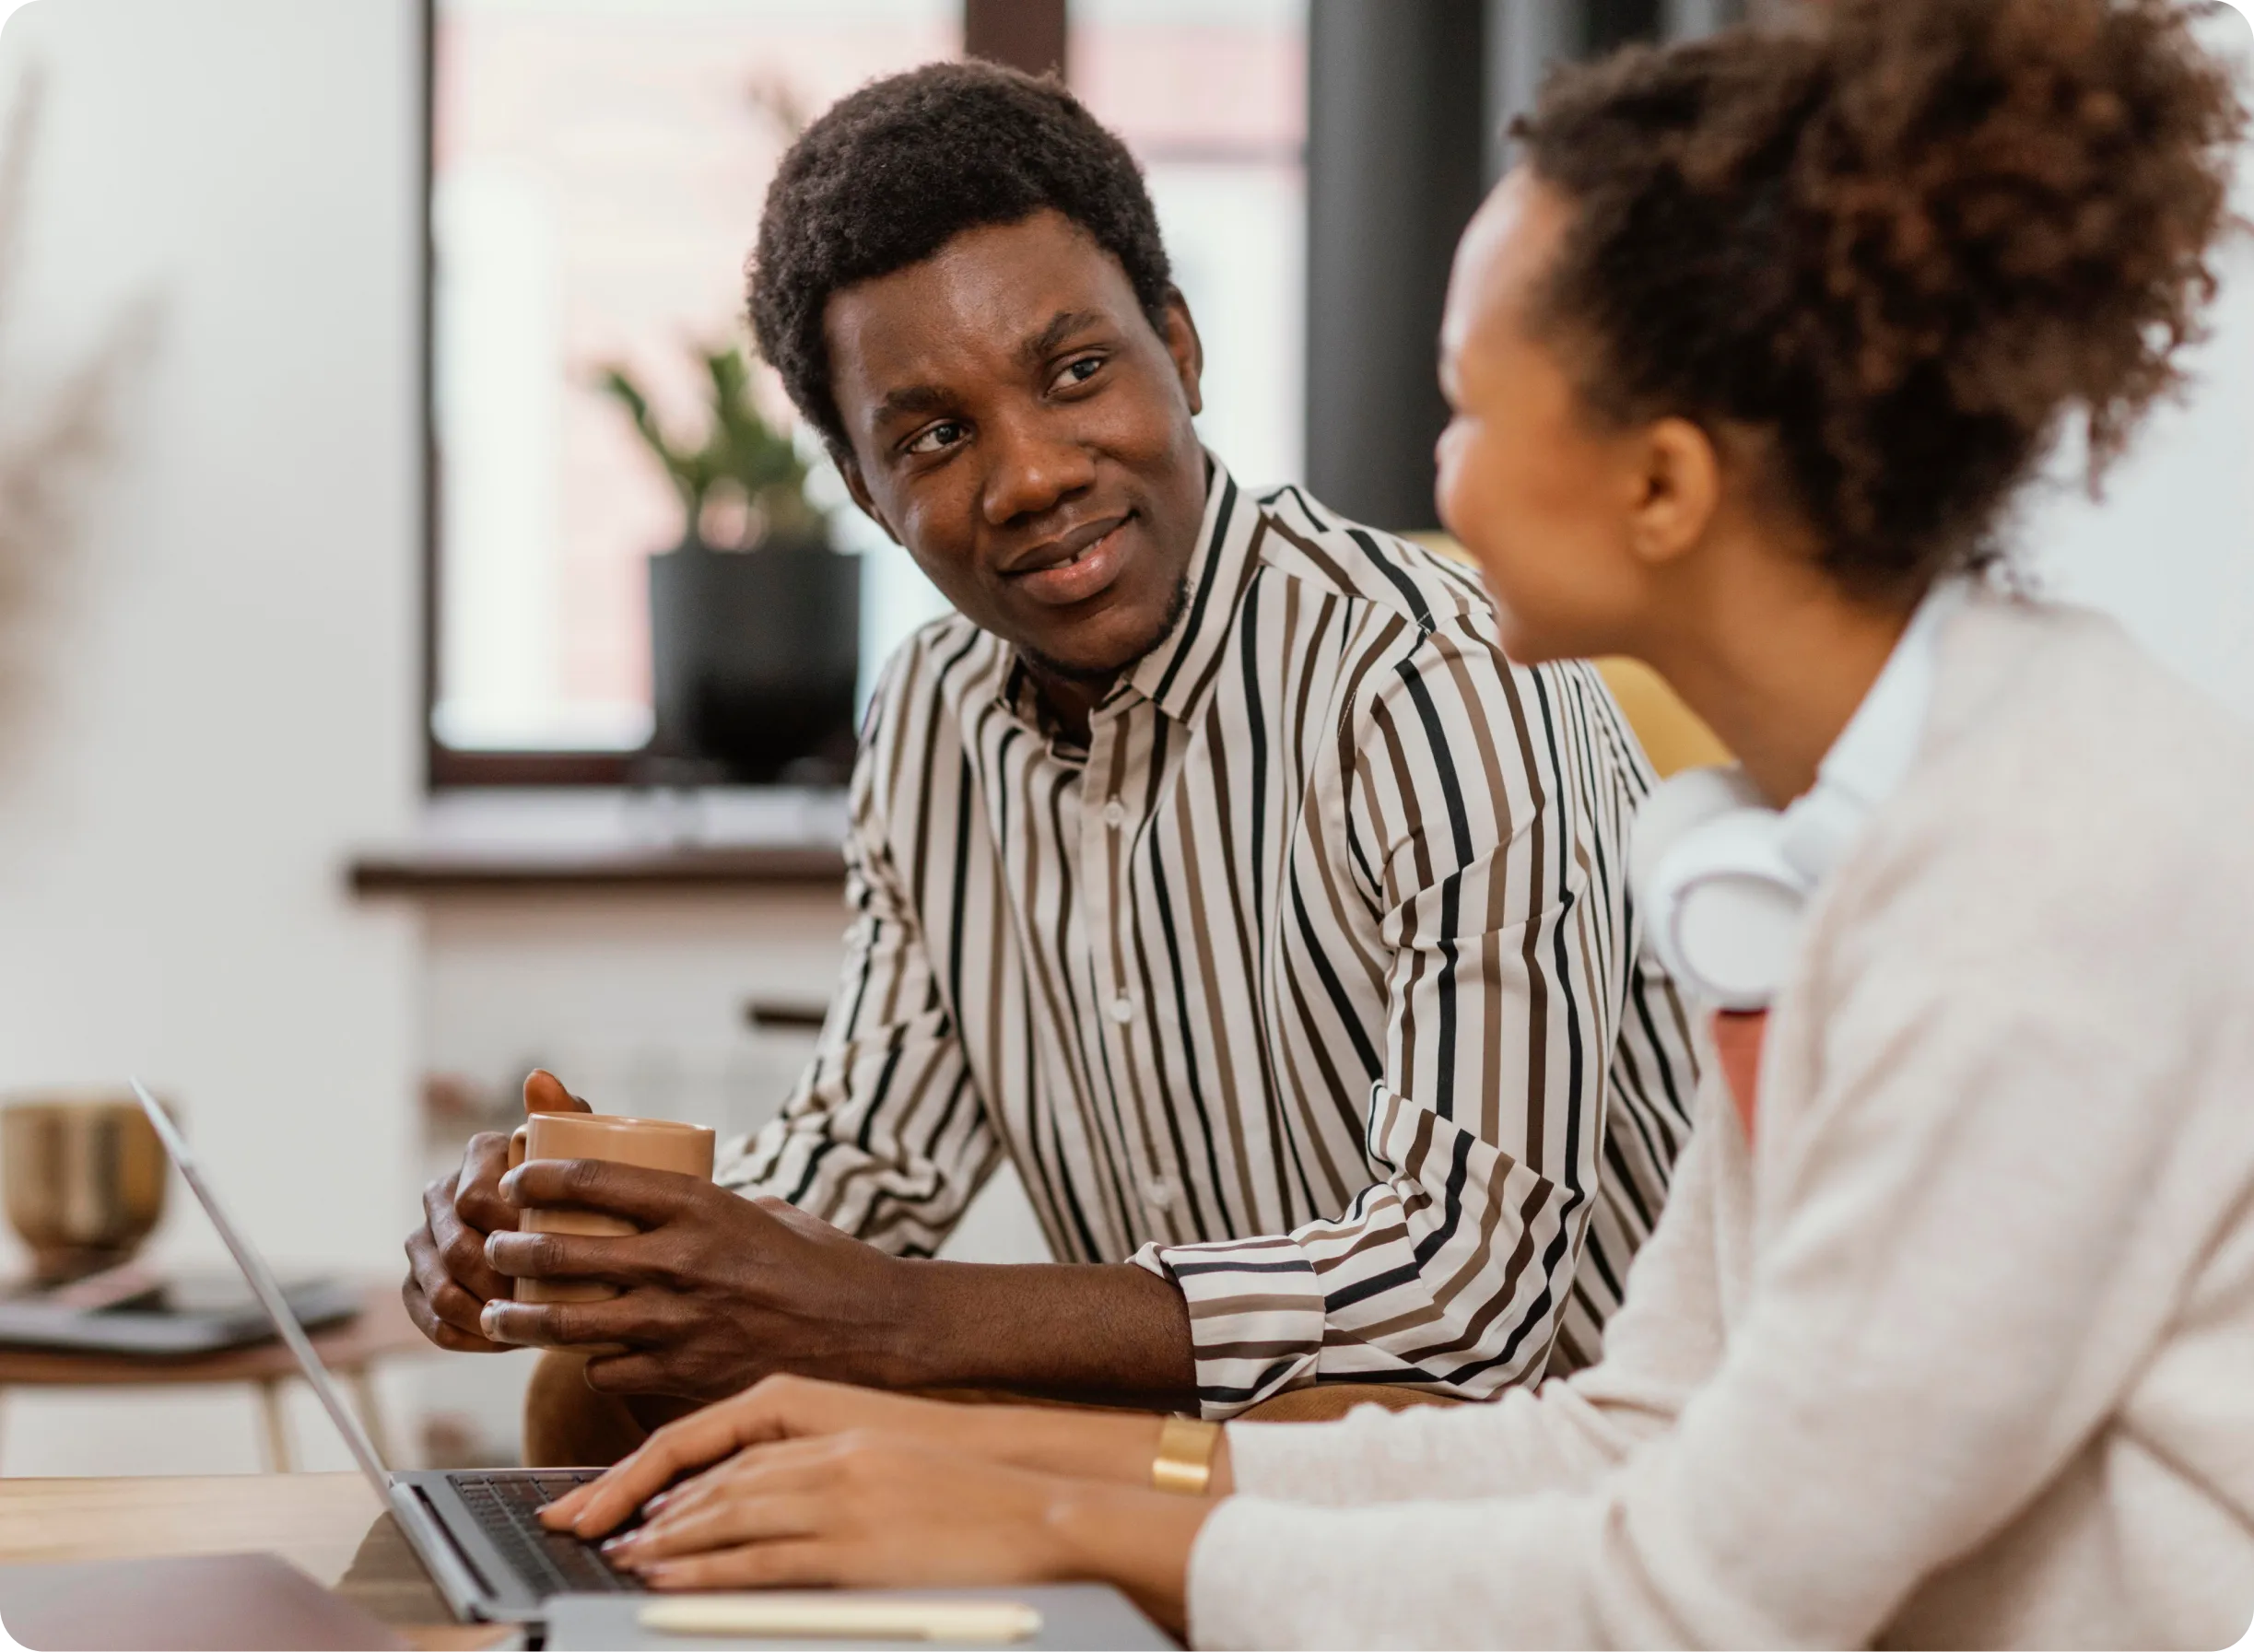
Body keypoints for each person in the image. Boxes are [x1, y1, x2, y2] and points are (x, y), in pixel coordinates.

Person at [533, 2, 2254, 1647]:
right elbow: (1627, 1441)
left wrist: (1055, 1513)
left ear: (1659, 484)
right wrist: (976, 1462)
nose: (1435, 484)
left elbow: (1689, 1595)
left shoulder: (2045, 871)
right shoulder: (1783, 844)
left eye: (1471, 409)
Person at [403, 61, 1701, 1442]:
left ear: (1182, 351)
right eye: (936, 435)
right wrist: (619, 1239)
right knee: (606, 1419)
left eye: (1075, 372)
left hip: (1567, 1513)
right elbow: (871, 1166)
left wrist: (896, 1323)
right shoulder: (931, 715)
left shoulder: (1438, 682)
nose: (1029, 477)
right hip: (1206, 1497)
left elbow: (1465, 1300)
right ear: (864, 488)